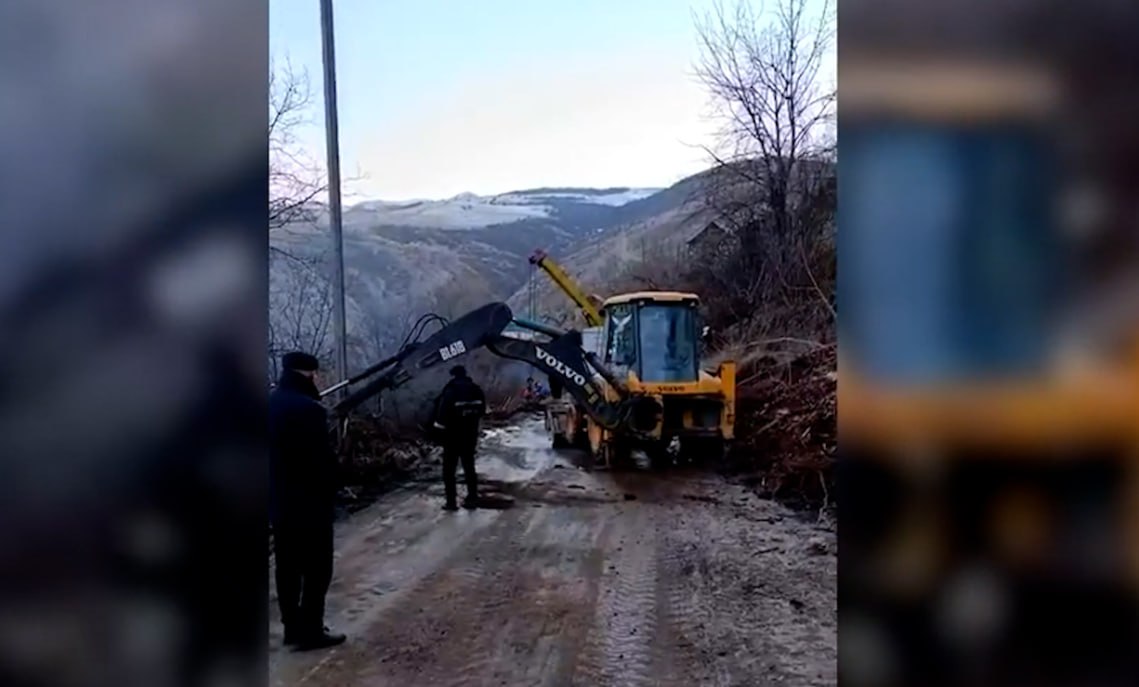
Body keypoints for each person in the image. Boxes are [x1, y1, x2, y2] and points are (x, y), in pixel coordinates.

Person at [269, 352, 346, 651]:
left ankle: (292, 629)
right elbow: (320, 461)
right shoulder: (309, 410)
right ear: (309, 374)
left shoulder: (270, 403)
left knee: (287, 568)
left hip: (280, 502)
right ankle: (311, 629)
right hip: (310, 503)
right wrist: (334, 484)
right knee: (317, 569)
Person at [432, 365, 486, 511]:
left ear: (454, 375)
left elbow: (441, 416)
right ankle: (472, 498)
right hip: (470, 436)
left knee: (449, 470)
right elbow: (482, 411)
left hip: (452, 437)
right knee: (469, 467)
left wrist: (437, 432)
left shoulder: (451, 391)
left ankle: (451, 502)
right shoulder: (476, 390)